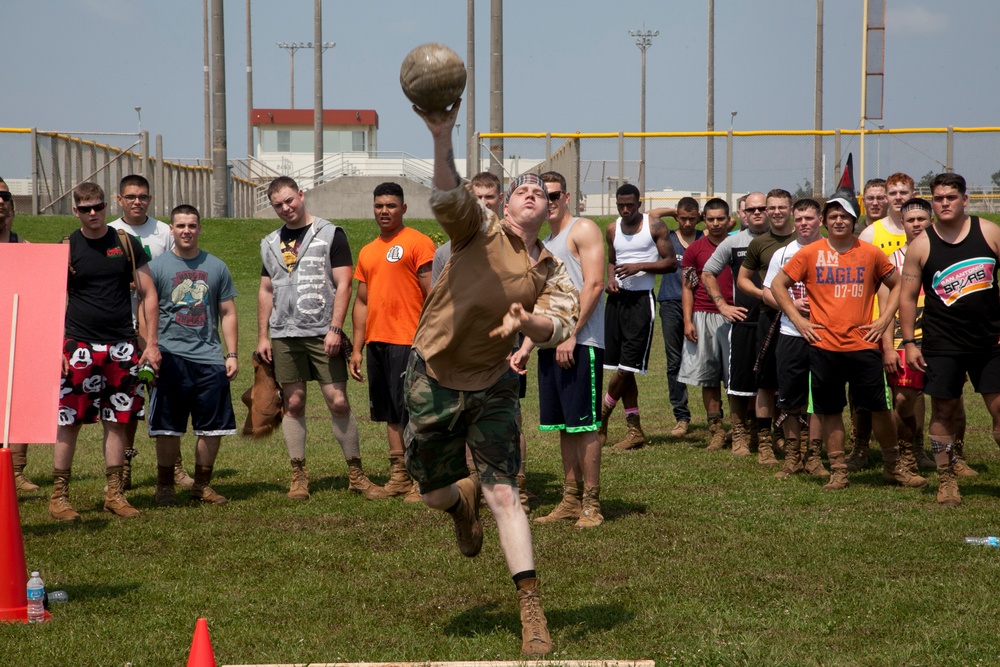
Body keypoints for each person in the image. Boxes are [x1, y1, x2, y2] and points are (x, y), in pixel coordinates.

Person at [405, 99, 577, 656]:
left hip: (495, 381)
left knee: (505, 492)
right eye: (522, 189)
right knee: (431, 493)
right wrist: (441, 135)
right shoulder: (476, 230)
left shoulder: (552, 267)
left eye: (543, 193)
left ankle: (531, 607)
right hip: (434, 372)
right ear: (506, 203)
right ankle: (459, 504)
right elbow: (446, 195)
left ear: (552, 210)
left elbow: (561, 320)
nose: (533, 194)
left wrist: (532, 321)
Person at [772, 191, 926, 491]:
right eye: (833, 216)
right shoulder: (810, 252)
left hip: (863, 346)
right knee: (830, 410)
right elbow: (779, 284)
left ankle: (893, 467)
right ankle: (839, 469)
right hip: (824, 347)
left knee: (878, 408)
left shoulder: (870, 253)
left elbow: (898, 285)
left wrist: (884, 320)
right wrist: (799, 320)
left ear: (853, 220)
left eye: (844, 216)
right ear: (825, 221)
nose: (839, 220)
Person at [257, 176, 386, 501]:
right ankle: (298, 474)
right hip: (285, 335)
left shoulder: (330, 233)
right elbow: (266, 289)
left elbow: (344, 284)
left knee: (338, 402)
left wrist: (334, 328)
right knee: (294, 403)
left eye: (290, 200)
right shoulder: (269, 242)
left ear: (301, 195)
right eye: (278, 205)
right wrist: (263, 335)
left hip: (321, 333)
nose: (286, 208)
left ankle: (356, 474)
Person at [50, 182, 161, 521]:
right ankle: (59, 497)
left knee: (118, 420)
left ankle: (114, 494)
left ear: (105, 206)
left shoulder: (125, 243)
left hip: (122, 346)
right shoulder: (67, 248)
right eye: (86, 209)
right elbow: (52, 300)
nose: (93, 214)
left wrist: (151, 343)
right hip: (78, 345)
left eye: (98, 206)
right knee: (69, 421)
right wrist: (56, 349)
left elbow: (149, 294)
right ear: (76, 211)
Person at [430, 172, 534, 508]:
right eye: (478, 197)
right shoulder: (446, 250)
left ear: (501, 200)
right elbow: (438, 300)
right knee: (462, 416)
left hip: (505, 345)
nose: (484, 203)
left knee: (509, 415)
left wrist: (522, 342)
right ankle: (474, 483)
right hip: (461, 347)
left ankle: (517, 482)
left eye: (490, 197)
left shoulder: (513, 246)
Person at [899, 173, 1000, 507]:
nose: (944, 203)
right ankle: (946, 481)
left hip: (989, 343)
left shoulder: (989, 233)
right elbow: (907, 296)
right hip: (942, 344)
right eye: (938, 198)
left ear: (964, 200)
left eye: (950, 197)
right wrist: (911, 343)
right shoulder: (922, 244)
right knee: (943, 410)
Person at [511, 171, 605, 528]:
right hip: (552, 345)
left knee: (585, 425)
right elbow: (545, 304)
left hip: (580, 343)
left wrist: (572, 335)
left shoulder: (583, 230)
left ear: (566, 197)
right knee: (564, 427)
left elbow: (594, 284)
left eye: (552, 196)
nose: (546, 202)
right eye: (539, 196)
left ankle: (591, 504)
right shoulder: (546, 243)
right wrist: (528, 347)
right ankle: (569, 498)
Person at [349, 182, 435, 502]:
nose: (384, 211)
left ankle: (421, 479)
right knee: (390, 413)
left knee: (413, 411)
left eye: (391, 205)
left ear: (404, 208)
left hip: (408, 341)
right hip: (377, 343)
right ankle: (399, 475)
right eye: (379, 206)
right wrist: (357, 348)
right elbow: (361, 302)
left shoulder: (419, 243)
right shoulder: (368, 250)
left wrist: (428, 339)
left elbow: (434, 295)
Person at [147, 205, 238, 506]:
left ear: (199, 228)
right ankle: (164, 486)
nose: (186, 230)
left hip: (210, 358)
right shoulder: (157, 267)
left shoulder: (216, 267)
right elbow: (144, 309)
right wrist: (151, 347)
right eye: (180, 225)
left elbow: (227, 312)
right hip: (170, 356)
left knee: (212, 427)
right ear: (171, 229)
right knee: (168, 426)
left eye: (192, 225)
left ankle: (201, 485)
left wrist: (232, 353)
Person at [108, 174, 178, 490]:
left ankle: (173, 467)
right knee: (128, 399)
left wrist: (149, 283)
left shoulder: (164, 232)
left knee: (164, 398)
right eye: (131, 196)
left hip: (161, 328)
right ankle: (124, 467)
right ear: (119, 199)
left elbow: (178, 272)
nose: (138, 201)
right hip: (121, 328)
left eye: (144, 197)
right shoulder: (109, 232)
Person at [598, 183, 677, 450]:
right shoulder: (612, 228)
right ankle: (635, 430)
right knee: (623, 367)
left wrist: (639, 266)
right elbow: (611, 259)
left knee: (626, 366)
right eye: (621, 205)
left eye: (630, 204)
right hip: (616, 302)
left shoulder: (654, 226)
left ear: (639, 203)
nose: (626, 209)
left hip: (642, 301)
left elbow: (671, 262)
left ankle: (602, 414)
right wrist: (610, 279)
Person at [761, 198, 829, 479]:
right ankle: (792, 456)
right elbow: (768, 291)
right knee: (789, 400)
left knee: (821, 399)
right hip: (791, 333)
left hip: (826, 335)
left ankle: (814, 456)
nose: (803, 223)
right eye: (799, 218)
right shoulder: (784, 253)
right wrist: (789, 304)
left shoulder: (831, 250)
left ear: (820, 220)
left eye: (809, 218)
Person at [701, 191, 770, 455]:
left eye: (761, 208)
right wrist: (722, 305)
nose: (756, 213)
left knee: (769, 382)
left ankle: (763, 433)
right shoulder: (734, 243)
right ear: (742, 213)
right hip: (743, 323)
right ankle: (739, 433)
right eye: (751, 209)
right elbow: (707, 273)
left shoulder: (783, 241)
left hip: (776, 322)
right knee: (738, 382)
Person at [737, 188, 798, 465]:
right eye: (770, 207)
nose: (775, 212)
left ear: (791, 209)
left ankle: (797, 441)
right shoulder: (759, 243)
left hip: (806, 319)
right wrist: (768, 296)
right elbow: (743, 280)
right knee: (766, 382)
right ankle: (764, 444)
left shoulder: (805, 239)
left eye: (780, 207)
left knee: (797, 379)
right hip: (769, 317)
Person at [877, 197, 937, 476]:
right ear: (902, 224)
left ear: (930, 221)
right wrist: (888, 347)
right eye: (910, 220)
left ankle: (947, 454)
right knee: (903, 399)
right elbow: (885, 309)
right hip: (904, 339)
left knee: (949, 401)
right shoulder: (892, 260)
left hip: (941, 339)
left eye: (921, 219)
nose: (916, 224)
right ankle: (905, 451)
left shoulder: (943, 253)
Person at [676, 198, 733, 450]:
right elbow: (687, 287)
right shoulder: (694, 249)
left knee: (736, 378)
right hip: (704, 316)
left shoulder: (740, 245)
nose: (716, 223)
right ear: (704, 220)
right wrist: (688, 320)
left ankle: (742, 429)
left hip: (735, 316)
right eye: (710, 219)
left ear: (730, 219)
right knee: (708, 377)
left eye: (720, 218)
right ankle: (716, 429)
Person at [648, 198, 703, 437]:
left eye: (692, 218)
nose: (688, 223)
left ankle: (715, 416)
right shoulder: (667, 236)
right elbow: (650, 216)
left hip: (701, 304)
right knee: (674, 361)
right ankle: (681, 416)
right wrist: (672, 211)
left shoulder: (705, 236)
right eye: (683, 218)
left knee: (706, 359)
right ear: (677, 217)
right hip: (671, 302)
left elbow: (729, 219)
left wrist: (699, 217)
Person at [0, 177, 38, 492]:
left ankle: (16, 471)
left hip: (16, 337)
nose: (0, 202)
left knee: (18, 399)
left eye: (5, 198)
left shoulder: (24, 248)